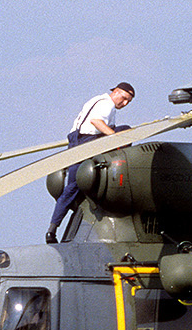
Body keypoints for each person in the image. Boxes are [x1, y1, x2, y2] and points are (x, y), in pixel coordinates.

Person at [47, 82, 135, 242]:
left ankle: (52, 229)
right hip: (87, 141)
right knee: (72, 187)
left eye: (128, 101)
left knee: (71, 189)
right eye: (123, 98)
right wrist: (117, 139)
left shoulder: (97, 100)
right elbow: (96, 121)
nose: (125, 103)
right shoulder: (106, 105)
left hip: (77, 139)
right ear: (115, 92)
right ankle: (53, 229)